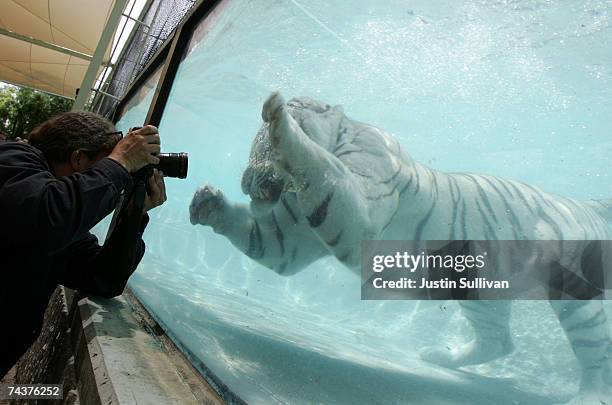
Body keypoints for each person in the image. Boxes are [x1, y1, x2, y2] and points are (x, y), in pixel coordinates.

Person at [0, 111, 167, 378]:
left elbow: (104, 278)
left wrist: (135, 214)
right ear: (78, 158)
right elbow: (49, 218)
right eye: (105, 162)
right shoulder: (13, 160)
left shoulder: (62, 223)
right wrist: (120, 163)